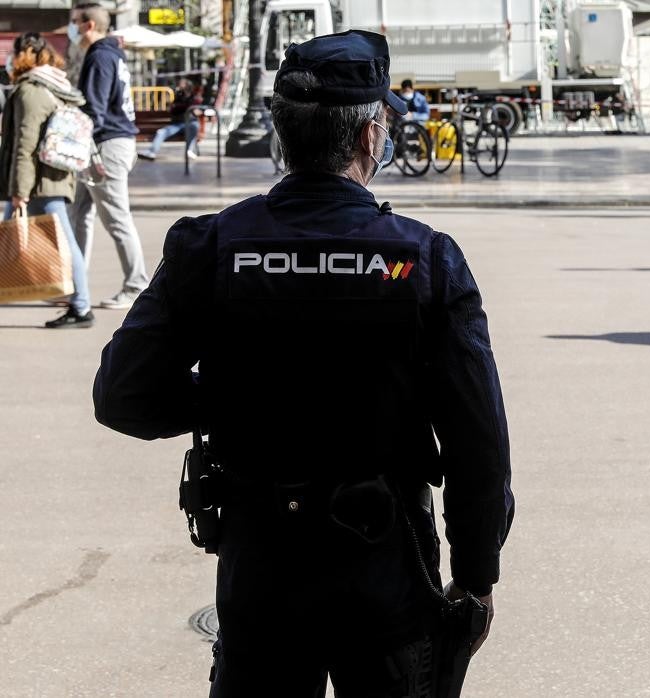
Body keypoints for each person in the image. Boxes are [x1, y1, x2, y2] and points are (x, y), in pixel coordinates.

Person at [92, 30, 515, 694]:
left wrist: (230, 397)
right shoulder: (424, 260)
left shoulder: (212, 247)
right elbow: (476, 441)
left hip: (261, 571)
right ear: (373, 137)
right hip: (388, 565)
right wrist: (477, 576)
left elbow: (124, 395)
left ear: (280, 135)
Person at [0, 32, 93, 328]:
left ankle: (81, 307)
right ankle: (79, 305)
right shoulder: (52, 84)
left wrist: (19, 191)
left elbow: (24, 146)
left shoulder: (31, 91)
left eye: (14, 53)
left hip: (40, 182)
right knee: (10, 238)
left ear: (25, 54)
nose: (10, 60)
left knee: (63, 242)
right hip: (49, 178)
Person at [69, 2, 148, 310]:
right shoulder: (110, 53)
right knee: (79, 214)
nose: (72, 28)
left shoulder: (100, 55)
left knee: (116, 218)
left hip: (104, 146)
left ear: (89, 25)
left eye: (75, 22)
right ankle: (76, 285)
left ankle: (136, 283)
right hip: (108, 143)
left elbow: (94, 109)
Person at [137, 77, 202, 161]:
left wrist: (188, 108)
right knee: (161, 132)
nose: (179, 85)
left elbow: (195, 109)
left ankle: (189, 151)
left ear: (187, 85)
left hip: (189, 123)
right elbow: (173, 109)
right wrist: (183, 107)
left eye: (181, 83)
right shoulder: (178, 95)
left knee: (194, 126)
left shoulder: (194, 97)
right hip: (178, 124)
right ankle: (151, 152)